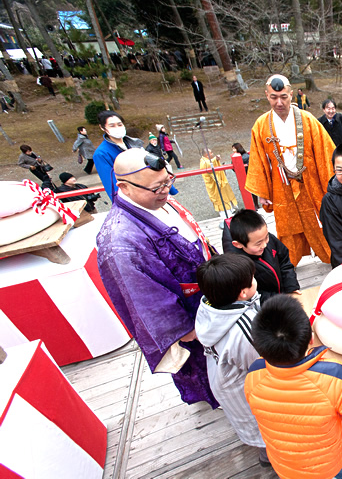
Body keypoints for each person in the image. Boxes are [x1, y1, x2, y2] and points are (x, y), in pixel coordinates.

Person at [97, 148, 219, 409]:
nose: (165, 190)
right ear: (124, 187)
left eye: (168, 181)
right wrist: (187, 330)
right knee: (205, 367)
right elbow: (146, 301)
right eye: (157, 187)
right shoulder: (119, 241)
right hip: (187, 316)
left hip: (208, 294)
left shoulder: (160, 200)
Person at [244, 295, 342, 479]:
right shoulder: (334, 376)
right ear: (311, 339)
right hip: (332, 463)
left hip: (285, 465)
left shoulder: (254, 373)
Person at [246, 74, 336, 265]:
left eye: (284, 97)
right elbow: (258, 161)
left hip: (309, 181)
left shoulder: (308, 120)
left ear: (292, 94)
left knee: (318, 220)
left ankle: (332, 256)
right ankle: (289, 263)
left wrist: (331, 183)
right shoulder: (261, 125)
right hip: (281, 184)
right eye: (273, 97)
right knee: (287, 225)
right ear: (267, 95)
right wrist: (262, 192)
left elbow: (324, 151)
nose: (279, 102)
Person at [194, 254, 268, 465]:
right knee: (263, 426)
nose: (256, 280)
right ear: (243, 292)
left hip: (223, 378)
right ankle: (272, 457)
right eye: (252, 278)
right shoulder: (245, 329)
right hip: (242, 385)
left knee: (251, 423)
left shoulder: (210, 304)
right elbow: (261, 363)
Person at [221, 209, 300, 302]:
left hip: (283, 295)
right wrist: (279, 300)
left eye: (266, 237)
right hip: (267, 305)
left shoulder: (260, 236)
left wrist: (290, 285)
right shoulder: (236, 266)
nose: (264, 245)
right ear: (238, 244)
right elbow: (252, 294)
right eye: (258, 244)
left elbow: (284, 260)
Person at [93, 110, 146, 200]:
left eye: (119, 124)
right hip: (133, 197)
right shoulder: (101, 153)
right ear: (102, 127)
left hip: (150, 190)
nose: (117, 128)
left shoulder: (134, 143)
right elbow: (111, 184)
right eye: (112, 125)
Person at [200, 148, 238, 226]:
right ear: (207, 155)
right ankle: (227, 218)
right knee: (221, 201)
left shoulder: (207, 160)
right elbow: (207, 166)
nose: (212, 154)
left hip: (220, 184)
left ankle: (230, 213)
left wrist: (215, 160)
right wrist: (215, 159)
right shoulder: (203, 162)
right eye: (211, 153)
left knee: (226, 196)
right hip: (215, 186)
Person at [232, 142, 258, 210]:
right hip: (250, 175)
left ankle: (251, 205)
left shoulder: (242, 157)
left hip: (245, 176)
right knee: (253, 192)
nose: (233, 151)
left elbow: (234, 169)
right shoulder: (247, 155)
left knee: (247, 191)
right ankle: (256, 205)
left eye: (234, 149)